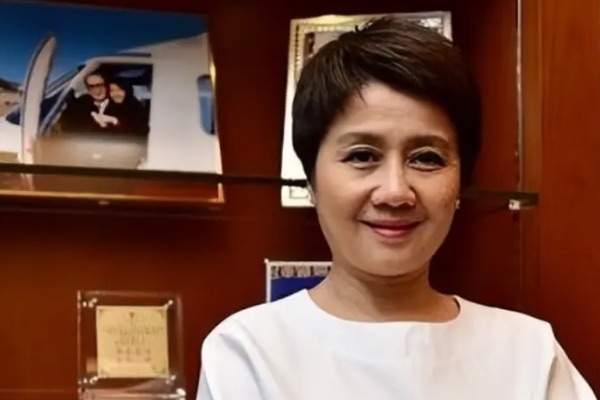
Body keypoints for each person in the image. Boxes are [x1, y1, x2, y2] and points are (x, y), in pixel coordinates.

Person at [195, 16, 597, 399]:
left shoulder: (529, 352)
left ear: (461, 180)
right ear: (310, 179)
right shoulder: (248, 352)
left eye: (426, 158)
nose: (395, 192)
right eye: (362, 156)